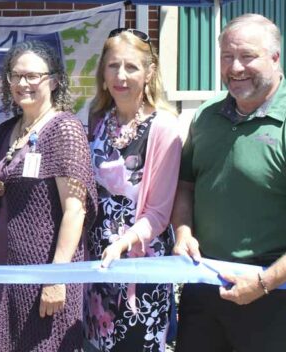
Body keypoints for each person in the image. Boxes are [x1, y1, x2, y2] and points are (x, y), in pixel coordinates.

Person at [171, 14, 286, 352]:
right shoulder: (206, 116)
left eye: (247, 56)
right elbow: (186, 186)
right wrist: (183, 231)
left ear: (275, 58)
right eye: (227, 56)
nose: (235, 67)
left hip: (272, 291)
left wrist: (265, 282)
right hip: (203, 281)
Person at [0, 40, 98, 352]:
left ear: (54, 81)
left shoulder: (64, 130)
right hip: (3, 267)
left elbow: (75, 210)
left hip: (43, 270)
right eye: (16, 76)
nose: (22, 84)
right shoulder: (6, 130)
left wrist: (56, 277)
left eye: (33, 76)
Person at [84, 28, 182, 351]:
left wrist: (122, 244)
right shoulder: (97, 119)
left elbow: (158, 213)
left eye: (131, 67)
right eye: (113, 66)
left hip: (140, 266)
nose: (120, 76)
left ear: (149, 73)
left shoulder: (164, 127)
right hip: (99, 264)